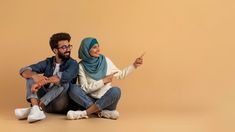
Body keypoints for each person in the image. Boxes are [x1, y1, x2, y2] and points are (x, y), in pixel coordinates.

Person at [67, 37, 144, 120]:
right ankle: (101, 112)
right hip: (88, 101)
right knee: (73, 88)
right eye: (94, 47)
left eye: (98, 46)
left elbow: (121, 75)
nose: (98, 50)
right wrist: (103, 81)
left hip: (106, 101)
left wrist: (134, 65)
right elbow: (84, 89)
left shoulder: (106, 60)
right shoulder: (81, 66)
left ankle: (84, 113)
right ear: (86, 50)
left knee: (116, 90)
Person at [14, 32, 78, 123]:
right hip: (46, 101)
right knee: (31, 76)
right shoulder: (48, 62)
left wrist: (41, 81)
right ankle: (36, 108)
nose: (67, 49)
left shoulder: (73, 64)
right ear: (55, 50)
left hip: (59, 104)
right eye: (64, 47)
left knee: (64, 83)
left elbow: (61, 78)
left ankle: (36, 109)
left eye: (69, 46)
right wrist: (34, 76)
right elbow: (24, 70)